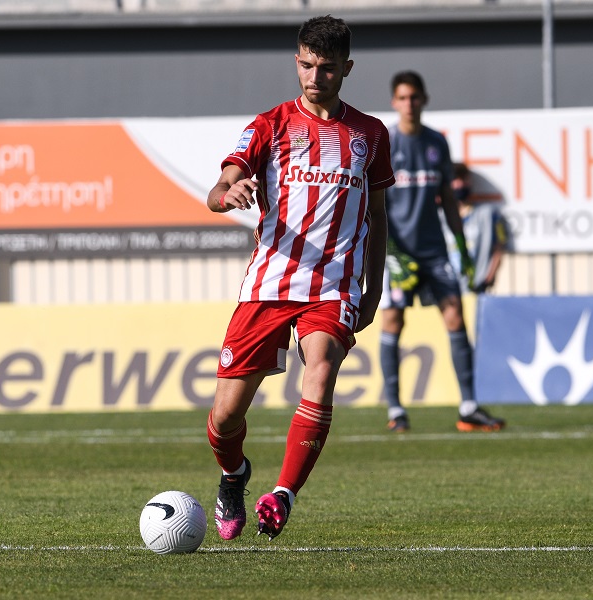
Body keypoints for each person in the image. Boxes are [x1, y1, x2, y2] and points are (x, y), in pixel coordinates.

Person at [205, 15, 394, 542]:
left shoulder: (370, 134)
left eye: (327, 68)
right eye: (307, 65)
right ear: (297, 61)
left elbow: (378, 217)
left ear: (346, 69)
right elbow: (218, 190)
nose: (315, 77)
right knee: (224, 418)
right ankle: (234, 474)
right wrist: (228, 193)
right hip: (269, 283)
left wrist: (374, 288)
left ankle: (282, 494)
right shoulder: (270, 125)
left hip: (333, 286)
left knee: (322, 366)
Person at [379, 70, 505, 433]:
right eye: (403, 98)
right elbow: (375, 202)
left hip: (434, 252)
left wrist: (461, 247)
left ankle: (469, 407)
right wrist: (390, 252)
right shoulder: (386, 142)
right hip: (398, 253)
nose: (409, 104)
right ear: (394, 102)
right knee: (393, 321)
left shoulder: (437, 142)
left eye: (414, 97)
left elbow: (448, 198)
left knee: (455, 317)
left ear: (424, 100)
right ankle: (396, 410)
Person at [452, 162, 509, 294]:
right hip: (447, 291)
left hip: (476, 289)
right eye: (455, 179)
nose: (460, 184)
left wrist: (487, 279)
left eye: (463, 179)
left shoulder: (489, 214)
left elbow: (499, 246)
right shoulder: (438, 216)